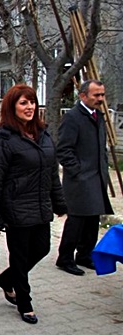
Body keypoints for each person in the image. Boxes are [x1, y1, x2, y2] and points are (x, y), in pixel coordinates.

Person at [0, 84, 67, 325]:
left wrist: (60, 204)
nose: (29, 107)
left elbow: (52, 173)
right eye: (23, 103)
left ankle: (6, 280)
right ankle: (25, 301)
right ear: (12, 107)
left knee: (41, 249)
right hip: (16, 207)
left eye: (31, 102)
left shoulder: (43, 134)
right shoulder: (3, 138)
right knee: (19, 257)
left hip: (40, 206)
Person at [56, 80, 113, 276]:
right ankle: (64, 258)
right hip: (80, 179)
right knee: (77, 220)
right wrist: (78, 171)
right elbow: (63, 149)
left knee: (92, 220)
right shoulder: (73, 117)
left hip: (97, 176)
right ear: (82, 96)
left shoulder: (98, 116)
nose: (100, 99)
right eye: (96, 95)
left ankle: (84, 255)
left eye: (102, 95)